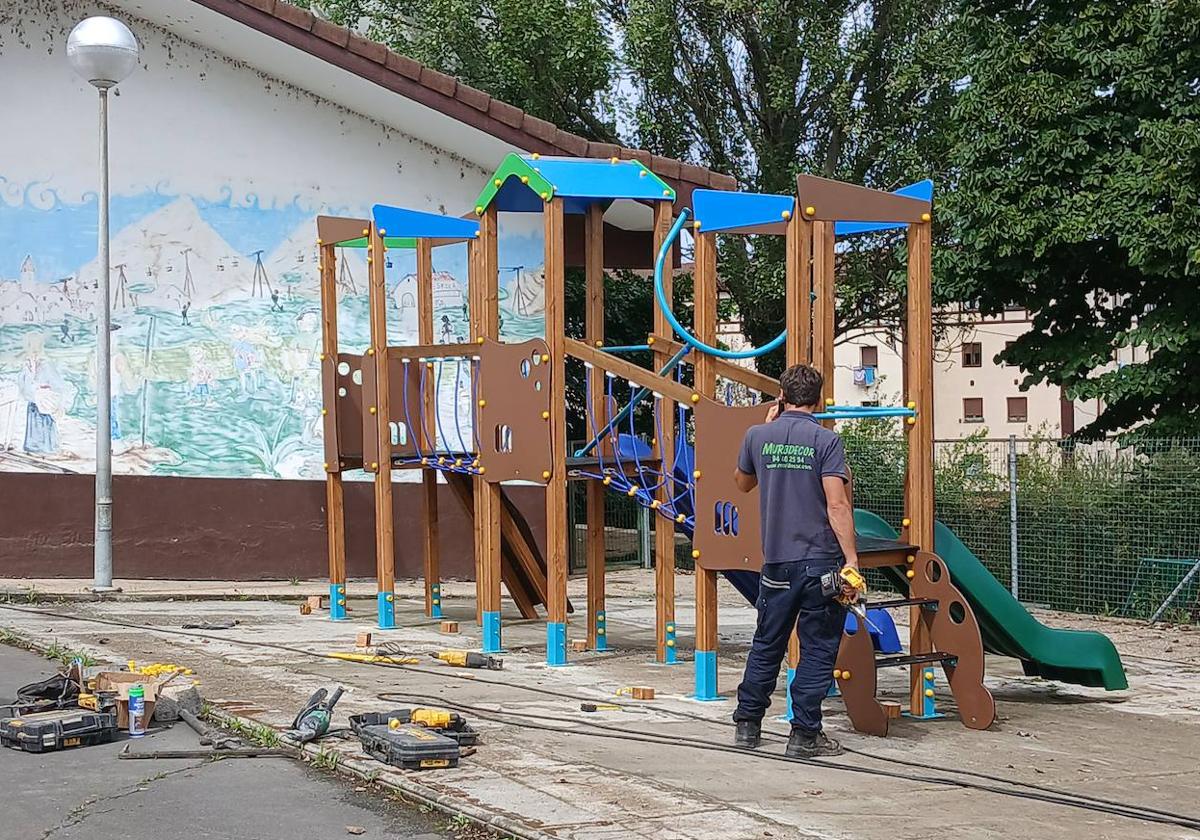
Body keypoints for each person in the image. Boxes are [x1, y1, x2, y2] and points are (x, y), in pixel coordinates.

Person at [731, 364, 860, 758]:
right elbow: (837, 504)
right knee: (819, 647)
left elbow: (743, 483)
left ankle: (748, 726)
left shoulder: (757, 435)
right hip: (821, 561)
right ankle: (804, 734)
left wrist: (767, 427)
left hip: (777, 564)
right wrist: (852, 561)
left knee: (767, 643)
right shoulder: (826, 441)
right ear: (818, 399)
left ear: (781, 396)